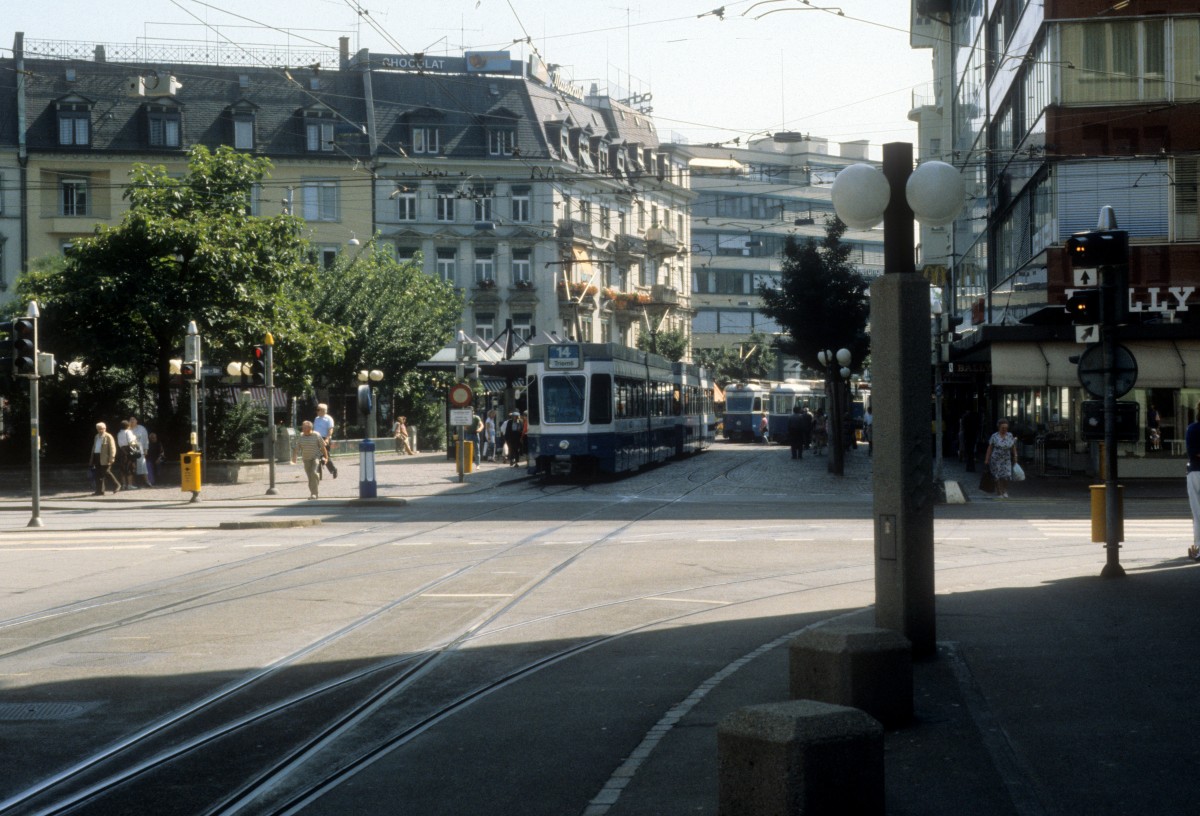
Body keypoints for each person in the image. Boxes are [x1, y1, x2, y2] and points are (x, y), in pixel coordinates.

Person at [292, 420, 328, 500]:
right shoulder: (301, 436)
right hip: (306, 459)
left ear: (309, 428)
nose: (303, 429)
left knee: (313, 473)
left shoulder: (316, 435)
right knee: (310, 477)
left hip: (315, 457)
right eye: (303, 427)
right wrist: (294, 458)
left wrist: (326, 457)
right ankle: (316, 480)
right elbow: (297, 448)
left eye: (304, 428)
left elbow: (323, 447)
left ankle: (314, 494)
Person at [984, 418, 1019, 499]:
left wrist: (1015, 456)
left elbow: (1013, 447)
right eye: (1003, 428)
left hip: (1006, 459)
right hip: (996, 459)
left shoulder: (1010, 435)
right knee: (997, 476)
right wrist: (986, 459)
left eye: (1006, 428)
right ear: (999, 427)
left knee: (1006, 476)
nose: (1004, 429)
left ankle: (1005, 491)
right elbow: (990, 448)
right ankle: (999, 491)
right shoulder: (994, 436)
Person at [90, 421, 121, 495]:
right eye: (98, 429)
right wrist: (92, 458)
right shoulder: (96, 436)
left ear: (105, 428)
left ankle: (117, 485)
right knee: (98, 474)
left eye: (101, 429)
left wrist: (112, 457)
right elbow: (94, 447)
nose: (100, 430)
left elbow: (112, 447)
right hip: (96, 456)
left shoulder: (108, 436)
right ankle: (99, 491)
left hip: (105, 457)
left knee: (106, 472)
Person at [1187, 402, 1200, 561]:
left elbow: (1192, 452)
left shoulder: (1192, 428)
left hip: (1195, 471)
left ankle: (1199, 546)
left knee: (1197, 513)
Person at [312, 403, 337, 478]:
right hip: (316, 438)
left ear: (323, 411)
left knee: (325, 456)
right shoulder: (316, 419)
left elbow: (330, 429)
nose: (317, 411)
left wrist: (327, 439)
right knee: (316, 456)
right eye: (317, 409)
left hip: (324, 438)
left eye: (318, 410)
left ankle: (333, 469)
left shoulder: (329, 419)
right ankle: (318, 474)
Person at [128, 416, 152, 487]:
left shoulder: (142, 428)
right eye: (130, 419)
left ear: (136, 421)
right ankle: (132, 483)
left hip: (140, 448)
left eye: (133, 419)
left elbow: (145, 440)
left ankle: (147, 481)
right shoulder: (127, 429)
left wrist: (146, 449)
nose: (132, 421)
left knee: (142, 465)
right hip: (130, 449)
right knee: (132, 466)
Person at [116, 419, 139, 490]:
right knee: (130, 467)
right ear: (128, 426)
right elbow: (131, 441)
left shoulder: (119, 433)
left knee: (122, 468)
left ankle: (123, 485)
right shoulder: (128, 432)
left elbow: (119, 444)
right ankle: (130, 485)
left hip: (121, 451)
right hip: (129, 450)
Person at [959, 408, 981, 473]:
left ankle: (969, 466)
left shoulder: (965, 418)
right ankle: (971, 467)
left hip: (967, 436)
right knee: (971, 451)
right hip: (973, 436)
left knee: (968, 452)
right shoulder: (975, 418)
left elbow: (963, 427)